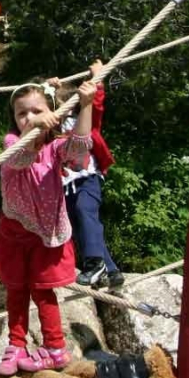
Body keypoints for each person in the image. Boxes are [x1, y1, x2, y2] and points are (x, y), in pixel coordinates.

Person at [0, 79, 96, 375]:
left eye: (36, 111)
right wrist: (33, 125)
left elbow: (79, 150)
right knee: (15, 289)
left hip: (45, 235)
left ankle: (55, 348)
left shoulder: (56, 149)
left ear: (53, 114)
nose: (28, 118)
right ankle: (15, 345)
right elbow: (21, 157)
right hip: (14, 233)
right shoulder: (12, 142)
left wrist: (85, 105)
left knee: (42, 292)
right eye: (21, 114)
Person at [49, 60, 124, 288]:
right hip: (64, 186)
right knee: (80, 224)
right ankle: (110, 271)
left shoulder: (86, 120)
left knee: (85, 212)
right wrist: (48, 88)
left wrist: (97, 78)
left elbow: (96, 103)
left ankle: (93, 263)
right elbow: (37, 108)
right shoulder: (52, 129)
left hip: (87, 179)